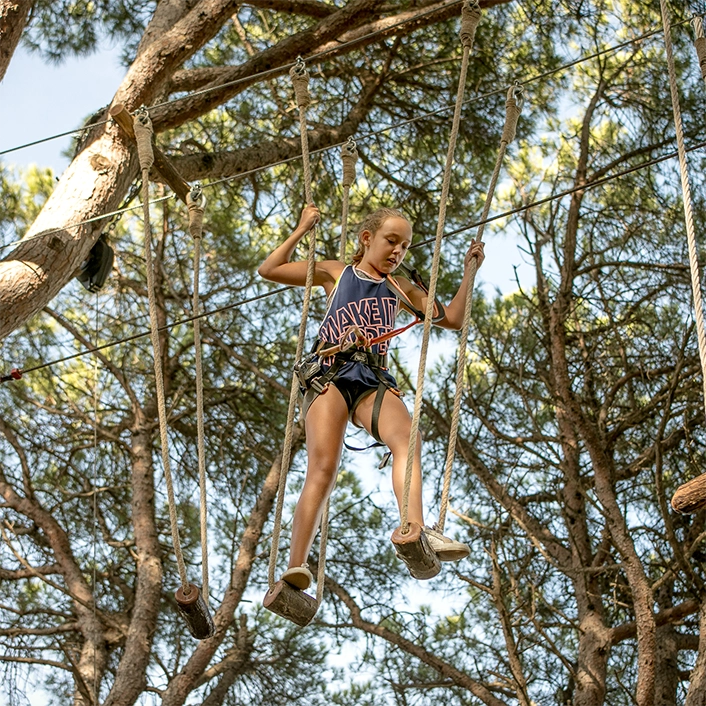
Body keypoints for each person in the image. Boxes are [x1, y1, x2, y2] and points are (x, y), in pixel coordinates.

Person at [258, 204, 485, 590]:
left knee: (407, 439)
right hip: (330, 371)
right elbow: (270, 269)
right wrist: (301, 229)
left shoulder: (402, 289)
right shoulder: (337, 273)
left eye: (405, 247)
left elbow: (453, 319)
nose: (398, 252)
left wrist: (469, 272)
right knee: (323, 467)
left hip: (372, 378)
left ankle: (415, 529)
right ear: (367, 239)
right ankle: (295, 567)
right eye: (391, 242)